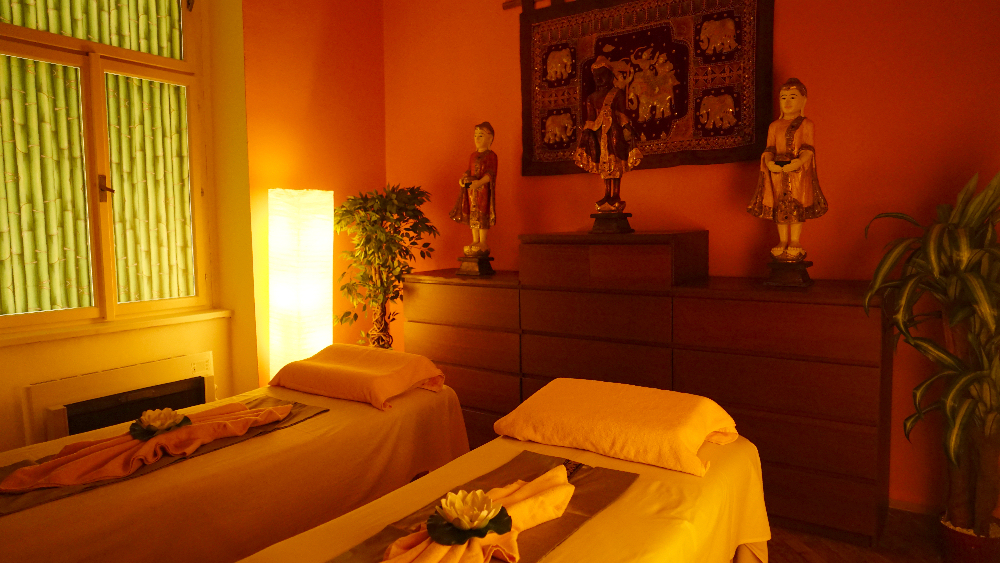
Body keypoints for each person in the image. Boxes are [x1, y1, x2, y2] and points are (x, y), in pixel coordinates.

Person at [747, 78, 828, 260]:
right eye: (783, 98)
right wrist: (769, 162)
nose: (788, 102)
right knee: (780, 205)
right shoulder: (774, 126)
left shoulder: (806, 124)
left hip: (797, 171)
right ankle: (783, 240)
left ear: (803, 100)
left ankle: (795, 240)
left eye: (793, 97)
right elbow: (769, 148)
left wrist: (798, 162)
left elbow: (808, 149)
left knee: (796, 204)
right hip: (777, 170)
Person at [574, 57, 642, 212]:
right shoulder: (591, 98)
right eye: (595, 76)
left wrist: (629, 129)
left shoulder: (617, 93)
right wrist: (586, 135)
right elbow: (590, 119)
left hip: (614, 132)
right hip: (599, 134)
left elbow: (622, 115)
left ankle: (615, 194)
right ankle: (606, 193)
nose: (598, 79)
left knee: (615, 161)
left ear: (611, 76)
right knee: (603, 163)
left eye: (602, 74)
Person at [449, 122, 498, 256]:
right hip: (471, 189)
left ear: (490, 138)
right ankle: (475, 240)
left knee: (482, 213)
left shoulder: (491, 156)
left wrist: (480, 182)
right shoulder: (473, 155)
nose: (477, 138)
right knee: (473, 214)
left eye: (481, 135)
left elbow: (491, 174)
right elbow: (469, 170)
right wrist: (463, 179)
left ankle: (482, 241)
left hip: (483, 190)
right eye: (475, 135)